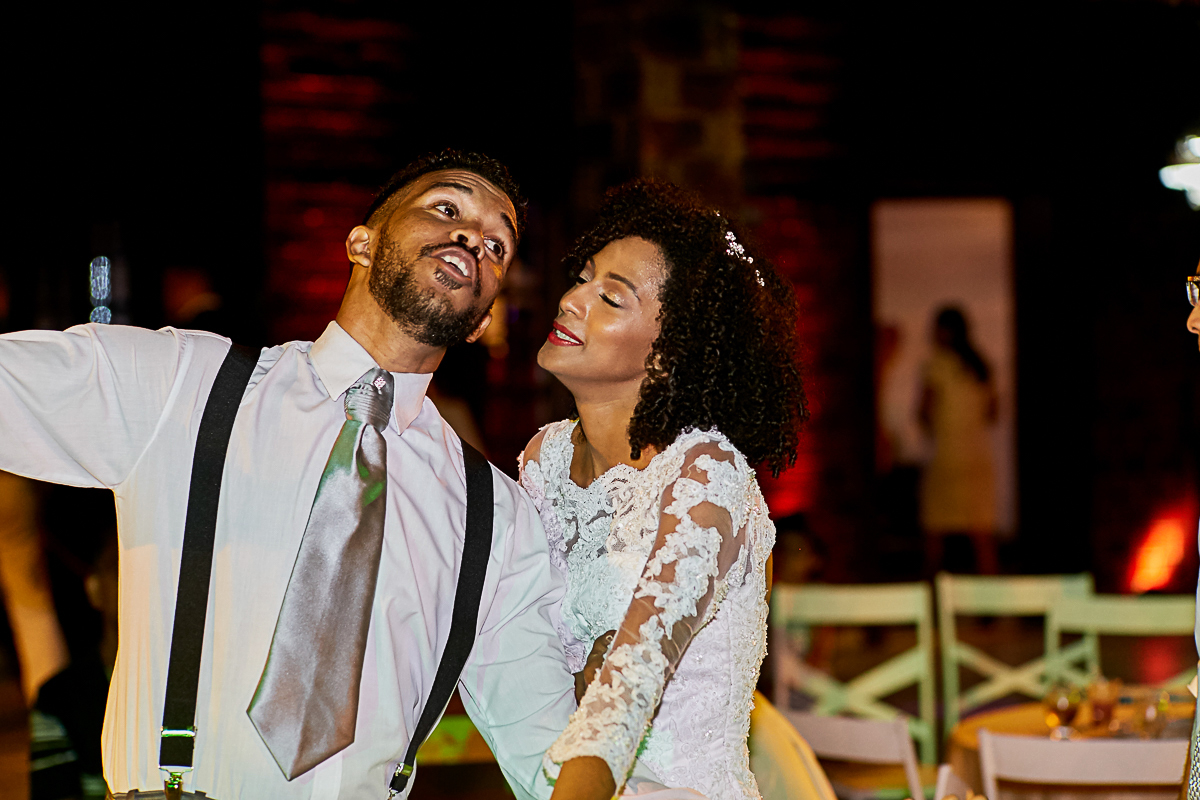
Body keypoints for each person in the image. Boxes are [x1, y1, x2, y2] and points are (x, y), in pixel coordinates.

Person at [0, 150, 603, 800]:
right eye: (447, 208)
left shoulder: (496, 519)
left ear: (485, 315)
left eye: (496, 246)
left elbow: (554, 758)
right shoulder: (182, 386)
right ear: (362, 242)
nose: (471, 239)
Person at [519, 179, 810, 799]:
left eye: (611, 298)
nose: (572, 300)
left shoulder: (707, 477)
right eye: (584, 277)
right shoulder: (543, 462)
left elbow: (630, 688)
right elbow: (523, 652)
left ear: (668, 353)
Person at [918, 306, 999, 576]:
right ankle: (991, 603)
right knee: (981, 535)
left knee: (934, 532)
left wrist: (934, 426)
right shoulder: (980, 367)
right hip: (978, 458)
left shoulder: (937, 365)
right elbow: (994, 412)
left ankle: (930, 603)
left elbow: (924, 412)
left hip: (947, 458)